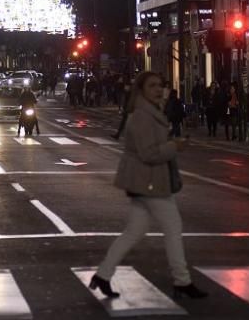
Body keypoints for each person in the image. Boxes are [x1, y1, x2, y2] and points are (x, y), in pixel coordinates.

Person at [89, 71, 207, 301]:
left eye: (160, 85)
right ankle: (182, 280)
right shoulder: (143, 116)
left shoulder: (150, 112)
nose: (157, 89)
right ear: (141, 90)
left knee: (134, 231)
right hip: (149, 181)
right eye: (152, 85)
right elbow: (149, 153)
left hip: (145, 181)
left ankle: (102, 275)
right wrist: (174, 146)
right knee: (173, 227)